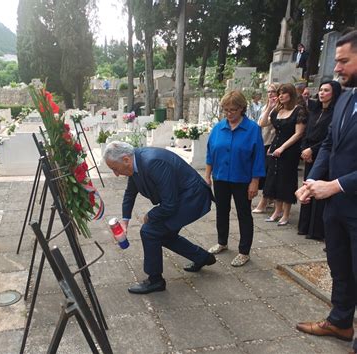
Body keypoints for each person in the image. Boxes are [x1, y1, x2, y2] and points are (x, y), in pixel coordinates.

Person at [295, 29, 357, 354]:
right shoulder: (345, 96)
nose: (338, 68)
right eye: (337, 61)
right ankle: (341, 322)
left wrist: (334, 184)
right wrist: (310, 182)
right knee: (340, 266)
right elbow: (331, 144)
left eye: (344, 61)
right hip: (336, 206)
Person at [103, 142, 216, 294]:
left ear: (126, 160)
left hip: (192, 198)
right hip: (179, 197)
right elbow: (130, 194)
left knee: (150, 232)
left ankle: (155, 280)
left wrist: (150, 215)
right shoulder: (135, 164)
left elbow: (169, 205)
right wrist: (125, 221)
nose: (116, 174)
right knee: (162, 234)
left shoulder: (152, 162)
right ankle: (202, 257)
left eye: (115, 169)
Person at [205, 91, 265, 267]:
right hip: (221, 177)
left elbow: (258, 157)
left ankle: (244, 251)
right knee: (221, 211)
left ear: (242, 109)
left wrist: (255, 182)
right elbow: (210, 152)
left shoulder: (253, 129)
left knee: (244, 214)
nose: (229, 113)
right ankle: (222, 242)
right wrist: (207, 175)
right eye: (226, 110)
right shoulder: (218, 128)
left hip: (242, 179)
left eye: (232, 110)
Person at [297, 80, 342, 240]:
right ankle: (305, 226)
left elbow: (328, 140)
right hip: (308, 154)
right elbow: (305, 132)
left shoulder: (335, 113)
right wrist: (303, 149)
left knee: (319, 191)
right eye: (321, 90)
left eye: (326, 90)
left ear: (334, 93)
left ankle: (316, 230)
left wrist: (312, 150)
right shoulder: (315, 111)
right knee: (307, 187)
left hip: (322, 155)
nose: (322, 93)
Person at [262, 83, 307, 226]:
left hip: (290, 150)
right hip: (275, 147)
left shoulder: (298, 110)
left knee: (286, 181)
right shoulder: (277, 111)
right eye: (279, 93)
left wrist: (282, 148)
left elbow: (299, 133)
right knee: (274, 178)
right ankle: (277, 210)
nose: (280, 95)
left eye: (284, 93)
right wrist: (269, 106)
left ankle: (286, 214)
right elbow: (262, 123)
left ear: (291, 94)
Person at [253, 84, 278, 213]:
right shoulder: (266, 107)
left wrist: (270, 107)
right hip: (264, 141)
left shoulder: (278, 108)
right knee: (265, 172)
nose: (270, 94)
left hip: (272, 142)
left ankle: (265, 201)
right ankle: (270, 199)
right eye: (268, 92)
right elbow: (260, 123)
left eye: (273, 91)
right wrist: (268, 107)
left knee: (269, 173)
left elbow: (263, 123)